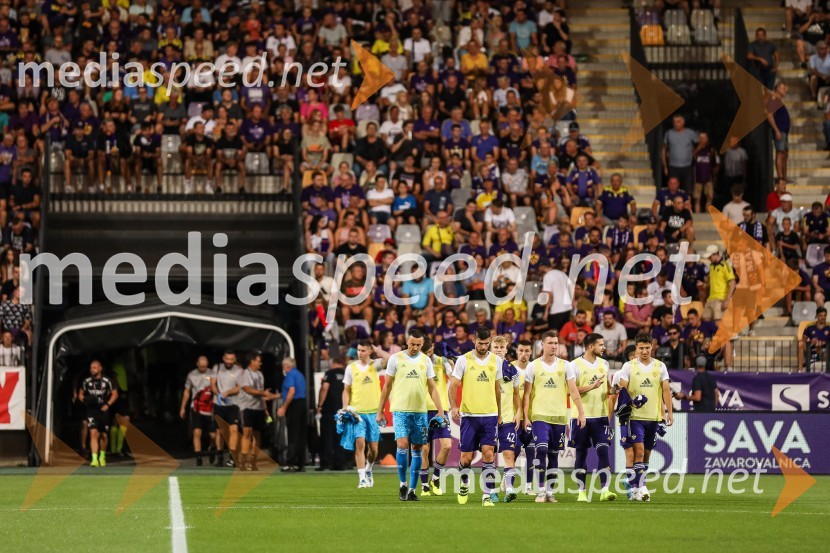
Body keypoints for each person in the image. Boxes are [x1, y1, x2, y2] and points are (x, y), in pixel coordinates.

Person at [375, 328, 446, 501]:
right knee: (402, 443)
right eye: (413, 344)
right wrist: (380, 411)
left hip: (420, 411)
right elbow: (387, 386)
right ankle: (402, 484)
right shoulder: (395, 359)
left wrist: (441, 411)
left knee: (417, 449)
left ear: (422, 344)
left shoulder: (425, 361)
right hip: (400, 410)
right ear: (407, 341)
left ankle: (412, 489)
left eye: (419, 345)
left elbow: (432, 387)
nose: (415, 347)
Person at [522, 330, 586, 504]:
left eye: (556, 343)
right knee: (541, 449)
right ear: (542, 345)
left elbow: (573, 390)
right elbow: (526, 394)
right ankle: (541, 490)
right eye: (550, 343)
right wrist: (525, 416)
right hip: (539, 416)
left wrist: (580, 412)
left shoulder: (566, 366)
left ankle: (550, 492)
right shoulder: (533, 366)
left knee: (554, 455)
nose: (554, 346)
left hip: (559, 417)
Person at [447, 327, 504, 507]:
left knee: (488, 454)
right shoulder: (463, 360)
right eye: (481, 343)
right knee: (466, 458)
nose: (484, 346)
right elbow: (453, 385)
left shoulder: (497, 361)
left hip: (490, 415)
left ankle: (486, 495)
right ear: (474, 340)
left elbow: (497, 389)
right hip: (469, 416)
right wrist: (454, 406)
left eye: (487, 343)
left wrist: (499, 413)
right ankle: (464, 483)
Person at [616, 333, 674, 502]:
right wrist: (631, 402)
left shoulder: (660, 366)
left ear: (652, 347)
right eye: (641, 348)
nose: (644, 351)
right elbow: (622, 389)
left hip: (653, 417)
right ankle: (638, 487)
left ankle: (638, 484)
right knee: (638, 451)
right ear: (636, 348)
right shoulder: (628, 366)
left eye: (647, 348)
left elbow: (665, 390)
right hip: (635, 417)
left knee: (647, 453)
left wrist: (669, 413)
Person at [570, 333, 616, 503]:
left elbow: (607, 388)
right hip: (580, 417)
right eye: (601, 345)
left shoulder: (604, 363)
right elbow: (570, 391)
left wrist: (614, 390)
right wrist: (592, 386)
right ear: (591, 346)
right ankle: (581, 491)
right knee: (581, 454)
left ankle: (605, 489)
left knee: (603, 450)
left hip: (601, 416)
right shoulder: (574, 365)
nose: (604, 347)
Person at [341, 341, 383, 488]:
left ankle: (369, 469)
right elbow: (346, 390)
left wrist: (377, 349)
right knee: (360, 444)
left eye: (363, 350)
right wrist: (345, 407)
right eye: (359, 350)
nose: (360, 353)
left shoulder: (375, 365)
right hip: (357, 413)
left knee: (374, 448)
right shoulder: (351, 368)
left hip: (373, 413)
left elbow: (391, 359)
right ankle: (362, 479)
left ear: (370, 351)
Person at [489, 335, 523, 503]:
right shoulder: (486, 367)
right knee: (489, 455)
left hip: (508, 419)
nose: (499, 350)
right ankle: (491, 490)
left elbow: (517, 395)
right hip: (488, 418)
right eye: (496, 347)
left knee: (509, 454)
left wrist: (519, 413)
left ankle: (509, 489)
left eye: (502, 348)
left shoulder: (512, 370)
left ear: (506, 349)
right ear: (490, 348)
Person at [419, 337, 453, 497]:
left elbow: (452, 375)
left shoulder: (442, 361)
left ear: (433, 347)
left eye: (430, 351)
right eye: (424, 352)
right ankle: (425, 485)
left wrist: (452, 368)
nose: (428, 355)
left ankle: (436, 478)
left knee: (447, 446)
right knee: (424, 449)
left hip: (441, 410)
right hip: (422, 410)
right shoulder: (419, 363)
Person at [239, 352, 277, 471]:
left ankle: (253, 460)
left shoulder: (260, 374)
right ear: (252, 361)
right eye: (258, 361)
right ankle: (243, 460)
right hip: (247, 407)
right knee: (247, 432)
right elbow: (247, 389)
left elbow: (261, 392)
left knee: (257, 434)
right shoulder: (245, 374)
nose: (260, 363)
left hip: (258, 408)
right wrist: (263, 393)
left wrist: (265, 407)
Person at [79, 360, 118, 467]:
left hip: (103, 410)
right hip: (92, 411)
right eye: (91, 367)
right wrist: (85, 401)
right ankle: (94, 459)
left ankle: (102, 456)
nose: (92, 369)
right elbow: (81, 393)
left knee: (104, 436)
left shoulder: (107, 381)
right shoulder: (86, 381)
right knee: (93, 433)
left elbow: (115, 394)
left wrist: (108, 404)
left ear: (100, 368)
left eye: (95, 367)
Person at [179, 355, 216, 466]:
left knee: (212, 435)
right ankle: (198, 457)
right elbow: (187, 391)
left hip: (210, 407)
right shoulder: (191, 374)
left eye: (205, 366)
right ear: (197, 364)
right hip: (196, 407)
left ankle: (212, 447)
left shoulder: (212, 374)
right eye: (201, 366)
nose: (203, 368)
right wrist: (182, 407)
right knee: (196, 431)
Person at [210, 351, 243, 467]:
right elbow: (212, 384)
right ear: (223, 358)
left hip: (233, 404)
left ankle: (232, 456)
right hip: (218, 404)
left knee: (234, 430)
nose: (229, 361)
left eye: (231, 359)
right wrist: (219, 394)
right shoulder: (217, 367)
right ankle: (219, 455)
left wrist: (228, 392)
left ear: (234, 360)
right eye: (227, 359)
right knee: (219, 431)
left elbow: (240, 387)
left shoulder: (239, 370)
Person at [316, 354, 347, 472]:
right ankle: (340, 463)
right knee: (340, 438)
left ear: (334, 363)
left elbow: (324, 388)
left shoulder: (329, 373)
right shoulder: (347, 375)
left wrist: (320, 405)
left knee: (327, 437)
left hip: (330, 411)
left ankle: (326, 463)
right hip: (343, 411)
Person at [278, 357, 308, 472]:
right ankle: (300, 463)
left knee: (293, 435)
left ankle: (291, 462)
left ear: (286, 366)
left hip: (294, 406)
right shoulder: (300, 374)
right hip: (302, 405)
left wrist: (283, 408)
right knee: (301, 435)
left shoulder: (289, 375)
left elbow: (291, 391)